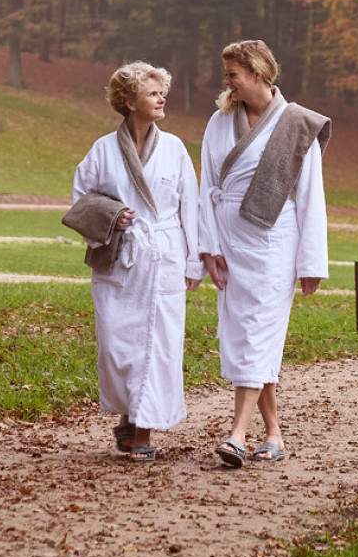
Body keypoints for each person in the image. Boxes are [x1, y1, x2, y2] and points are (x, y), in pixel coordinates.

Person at [197, 40, 330, 467]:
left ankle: (236, 434)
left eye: (233, 74)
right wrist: (209, 248)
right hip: (230, 241)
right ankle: (273, 434)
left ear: (257, 73)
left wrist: (312, 262)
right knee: (247, 337)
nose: (227, 82)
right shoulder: (219, 122)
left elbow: (310, 196)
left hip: (275, 244)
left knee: (256, 333)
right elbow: (206, 189)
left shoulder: (296, 124)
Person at [68, 62, 202, 462]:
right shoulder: (103, 150)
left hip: (162, 256)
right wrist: (112, 216)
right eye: (152, 92)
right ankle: (128, 415)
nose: (161, 98)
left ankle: (143, 430)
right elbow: (82, 198)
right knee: (117, 343)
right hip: (120, 259)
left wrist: (192, 262)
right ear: (129, 102)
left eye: (163, 91)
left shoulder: (175, 148)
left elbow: (189, 208)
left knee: (156, 346)